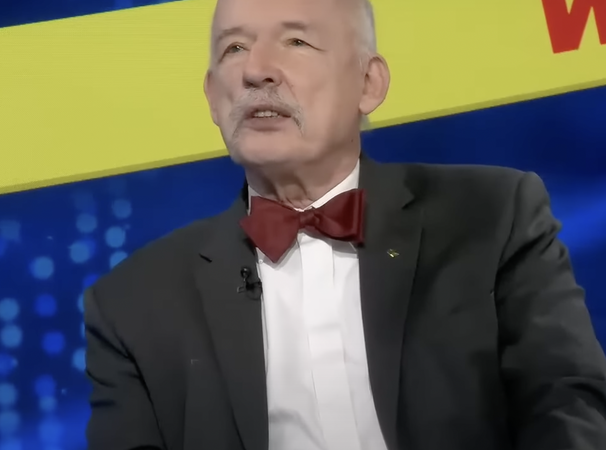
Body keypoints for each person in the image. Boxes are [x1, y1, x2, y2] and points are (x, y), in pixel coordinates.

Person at [83, 0, 606, 448]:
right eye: (234, 48)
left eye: (296, 41)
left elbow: (568, 406)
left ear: (368, 83)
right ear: (212, 97)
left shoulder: (492, 216)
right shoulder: (132, 305)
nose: (256, 70)